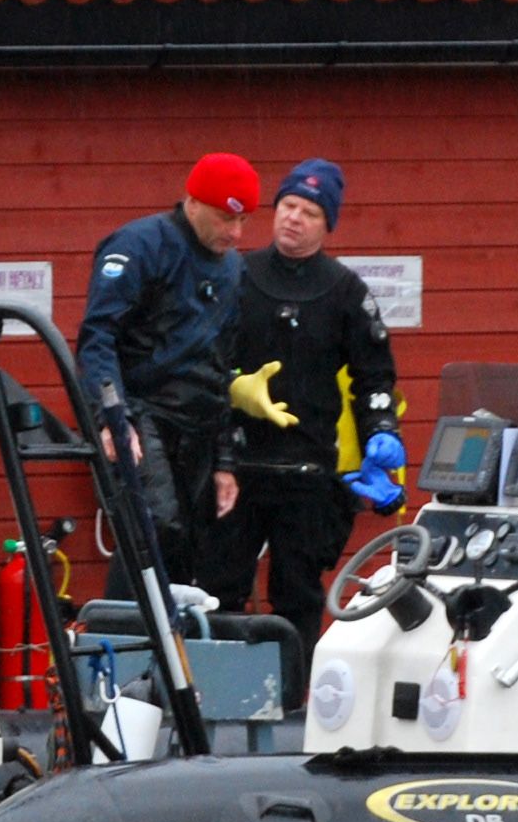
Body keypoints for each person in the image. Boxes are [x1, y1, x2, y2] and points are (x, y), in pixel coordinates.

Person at [200, 159, 404, 669]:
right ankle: (217, 705)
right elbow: (202, 361)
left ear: (326, 223)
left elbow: (373, 376)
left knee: (298, 593)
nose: (293, 218)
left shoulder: (346, 292)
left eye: (309, 211)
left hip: (308, 472)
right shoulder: (235, 276)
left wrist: (381, 433)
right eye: (287, 205)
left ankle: (294, 706)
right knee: (219, 587)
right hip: (236, 469)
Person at [78, 152, 259, 587]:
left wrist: (225, 459)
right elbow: (98, 337)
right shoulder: (140, 246)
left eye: (243, 222)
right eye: (224, 219)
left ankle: (172, 647)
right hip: (139, 409)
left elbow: (222, 364)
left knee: (192, 546)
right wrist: (113, 420)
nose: (234, 233)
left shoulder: (234, 269)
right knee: (153, 529)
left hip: (197, 423)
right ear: (193, 203)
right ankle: (120, 632)